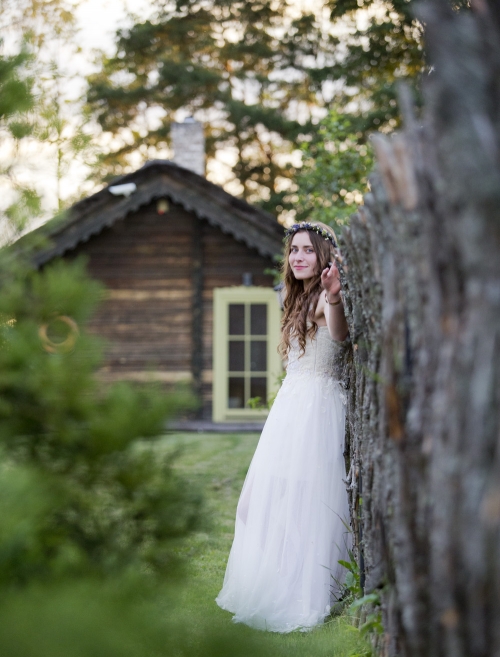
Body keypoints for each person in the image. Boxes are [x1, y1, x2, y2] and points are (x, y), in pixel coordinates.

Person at [215, 221, 351, 633]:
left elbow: (340, 334)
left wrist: (334, 296)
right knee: (259, 500)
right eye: (293, 251)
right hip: (290, 406)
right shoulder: (293, 301)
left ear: (323, 256)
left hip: (317, 408)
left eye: (308, 250)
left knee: (306, 502)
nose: (298, 257)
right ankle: (279, 577)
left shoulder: (325, 301)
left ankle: (307, 589)